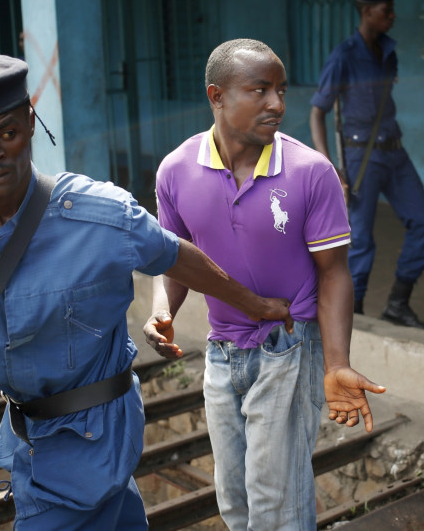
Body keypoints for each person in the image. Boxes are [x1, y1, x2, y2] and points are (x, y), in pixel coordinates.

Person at [0, 53, 293, 530]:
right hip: (24, 434)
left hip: (92, 436)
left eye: (7, 134)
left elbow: (177, 255)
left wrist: (256, 305)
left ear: (31, 123)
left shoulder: (98, 215)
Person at [143, 39, 386, 531]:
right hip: (221, 351)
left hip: (289, 347)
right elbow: (174, 258)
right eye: (260, 90)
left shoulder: (309, 172)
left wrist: (336, 363)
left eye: (280, 90)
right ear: (217, 95)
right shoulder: (176, 170)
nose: (277, 103)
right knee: (234, 499)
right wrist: (160, 310)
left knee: (276, 505)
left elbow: (335, 272)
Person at [309, 0, 424, 331]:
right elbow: (318, 111)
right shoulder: (344, 56)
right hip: (361, 157)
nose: (392, 16)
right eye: (386, 11)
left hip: (395, 153)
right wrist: (329, 165)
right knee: (361, 239)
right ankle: (357, 314)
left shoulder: (388, 50)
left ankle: (398, 304)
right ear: (367, 12)